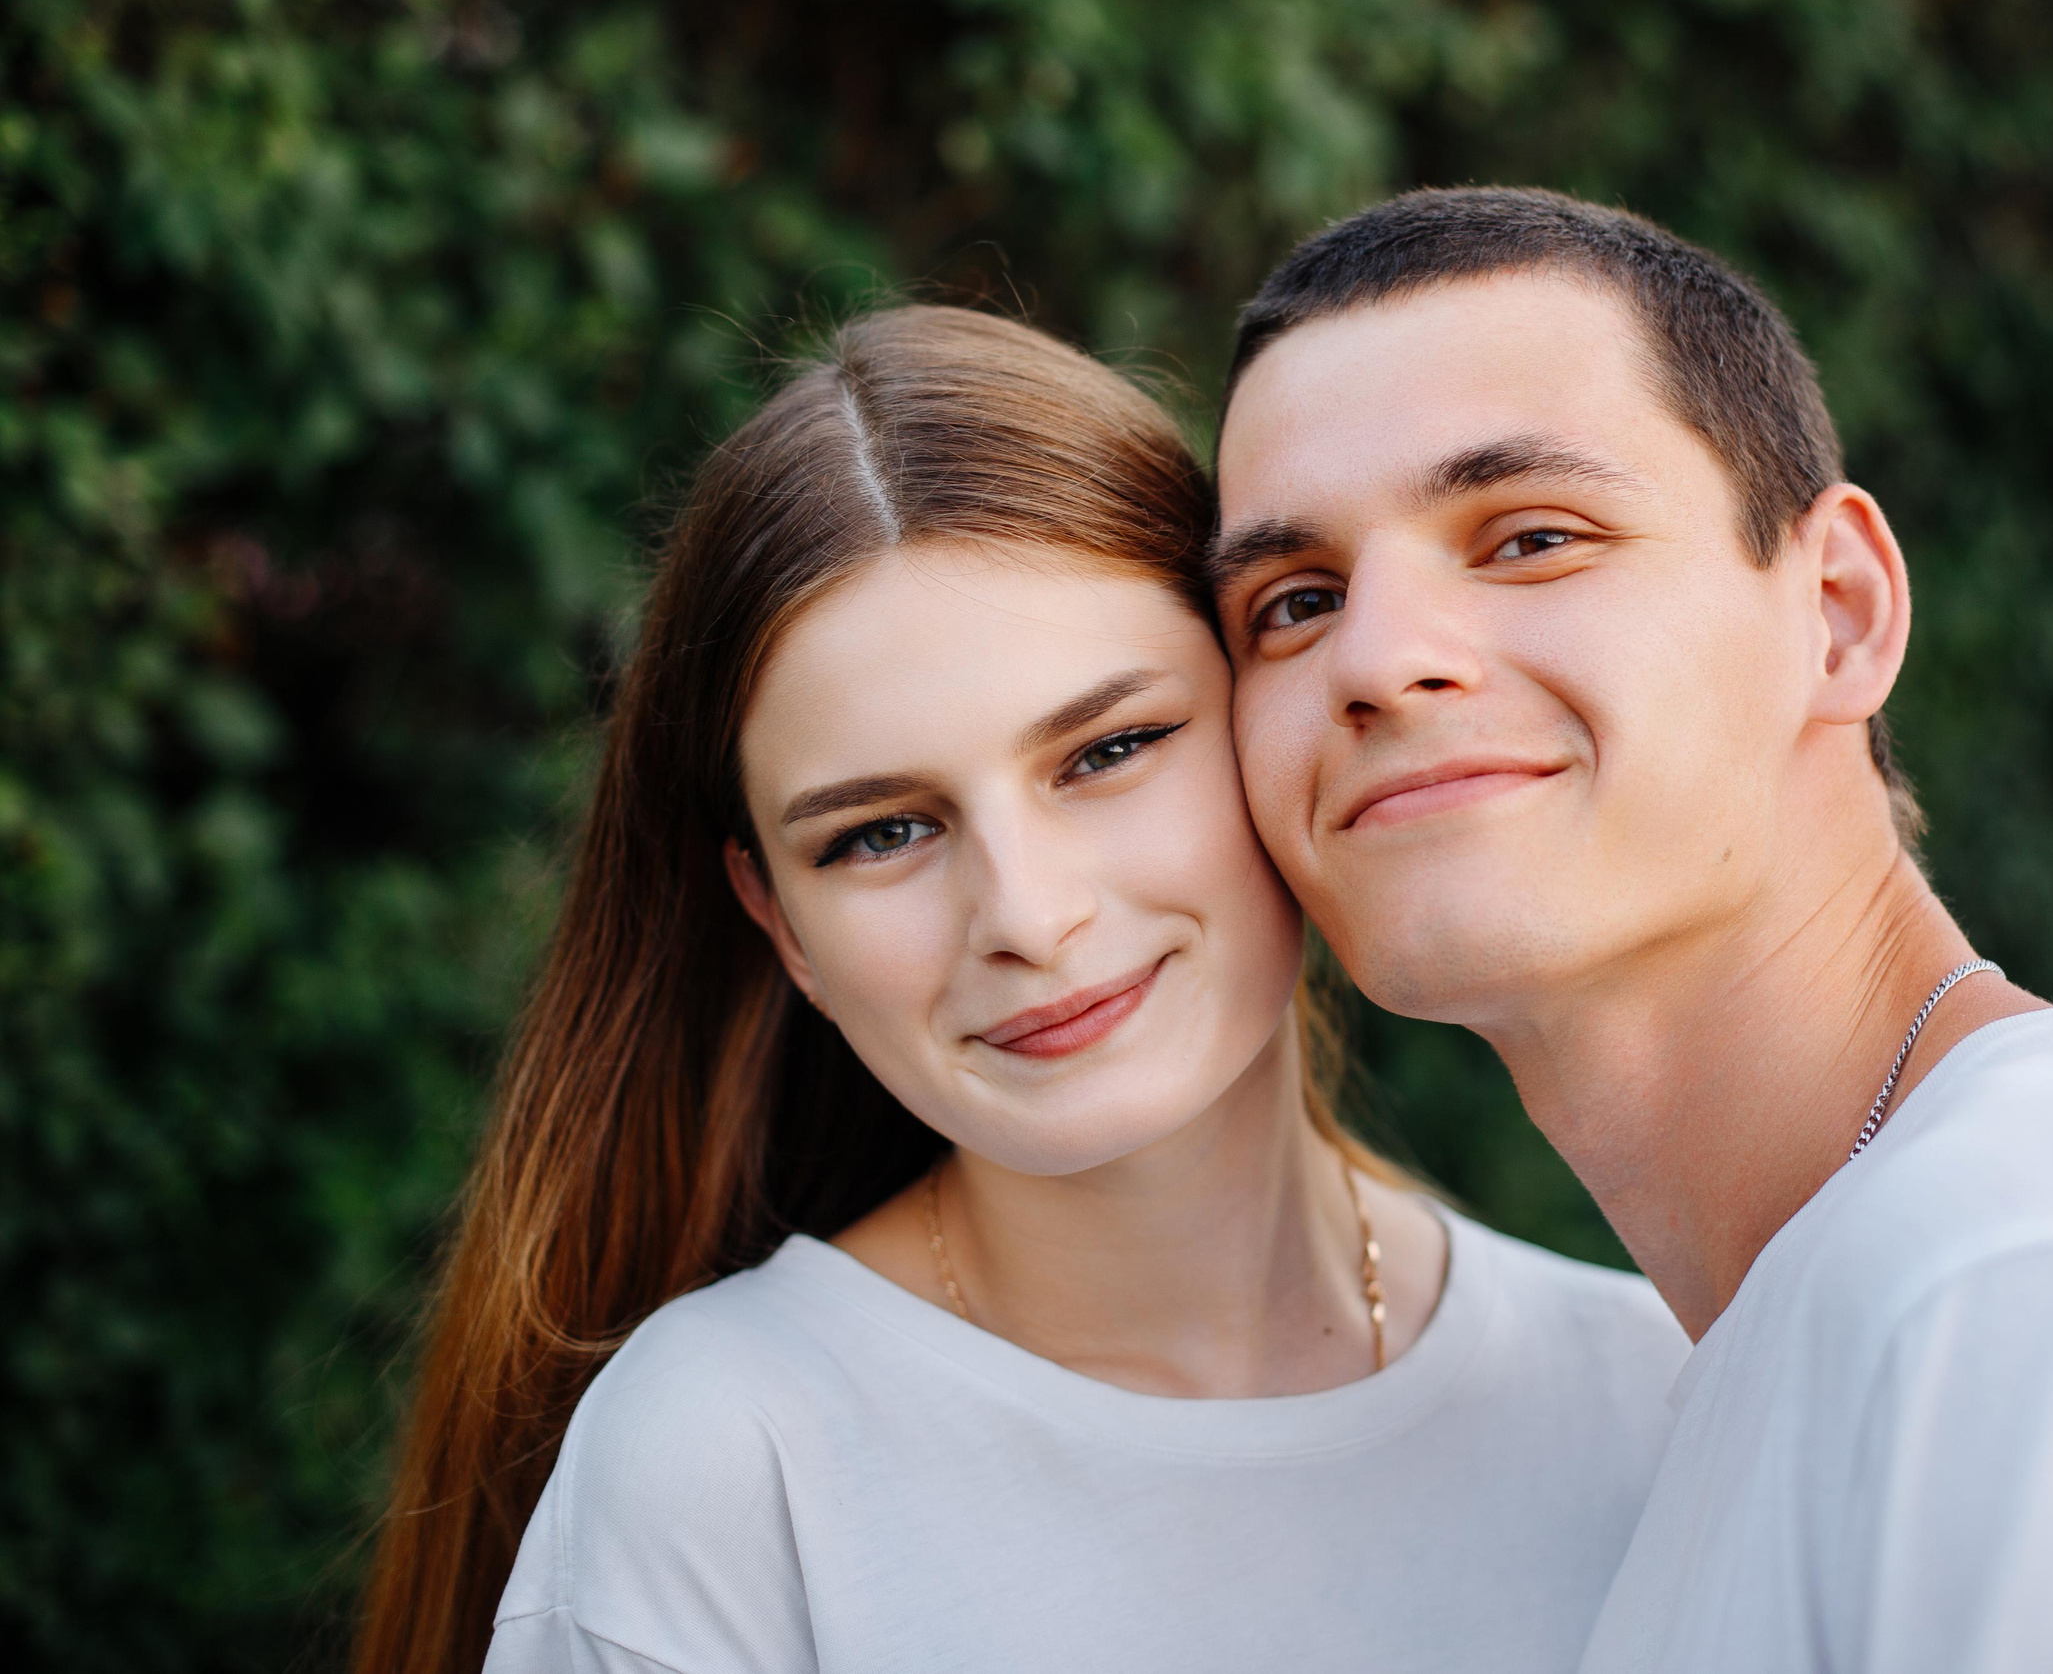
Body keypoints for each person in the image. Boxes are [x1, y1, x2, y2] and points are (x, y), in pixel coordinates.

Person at [1210, 187, 2053, 1673]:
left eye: (1531, 536)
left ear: (1840, 613)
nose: (1377, 656)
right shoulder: (1855, 1319)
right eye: (1294, 602)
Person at [351, 304, 1689, 1674]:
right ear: (780, 922)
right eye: (882, 833)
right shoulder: (729, 1468)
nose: (1032, 920)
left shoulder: (1664, 1395)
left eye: (1109, 750)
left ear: (1274, 713)